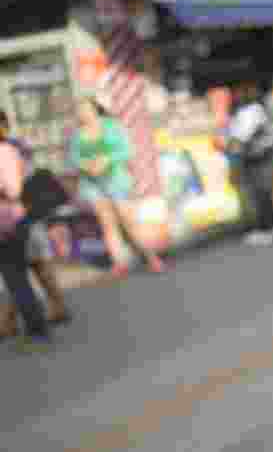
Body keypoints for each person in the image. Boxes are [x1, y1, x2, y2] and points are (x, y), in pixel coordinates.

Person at [69, 96, 165, 276]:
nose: (83, 113)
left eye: (86, 108)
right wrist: (85, 165)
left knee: (129, 221)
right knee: (107, 224)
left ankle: (151, 257)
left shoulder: (111, 126)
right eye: (80, 110)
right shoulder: (77, 135)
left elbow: (126, 150)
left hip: (115, 180)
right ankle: (119, 262)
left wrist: (107, 160)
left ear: (95, 108)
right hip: (92, 184)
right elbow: (73, 159)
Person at [0, 112, 70, 339]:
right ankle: (15, 320)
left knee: (26, 267)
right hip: (22, 214)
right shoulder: (14, 148)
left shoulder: (13, 148)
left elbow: (19, 185)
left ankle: (16, 321)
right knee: (23, 268)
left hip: (21, 214)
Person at [0, 141, 52, 352]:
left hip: (9, 223)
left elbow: (13, 190)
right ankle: (33, 327)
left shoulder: (4, 152)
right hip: (9, 222)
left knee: (16, 278)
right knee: (15, 279)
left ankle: (37, 330)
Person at [228, 80, 273, 246]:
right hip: (255, 156)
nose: (236, 95)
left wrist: (230, 146)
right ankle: (268, 227)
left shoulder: (253, 110)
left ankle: (267, 228)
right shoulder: (242, 111)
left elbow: (241, 136)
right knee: (260, 192)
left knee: (262, 193)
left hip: (262, 156)